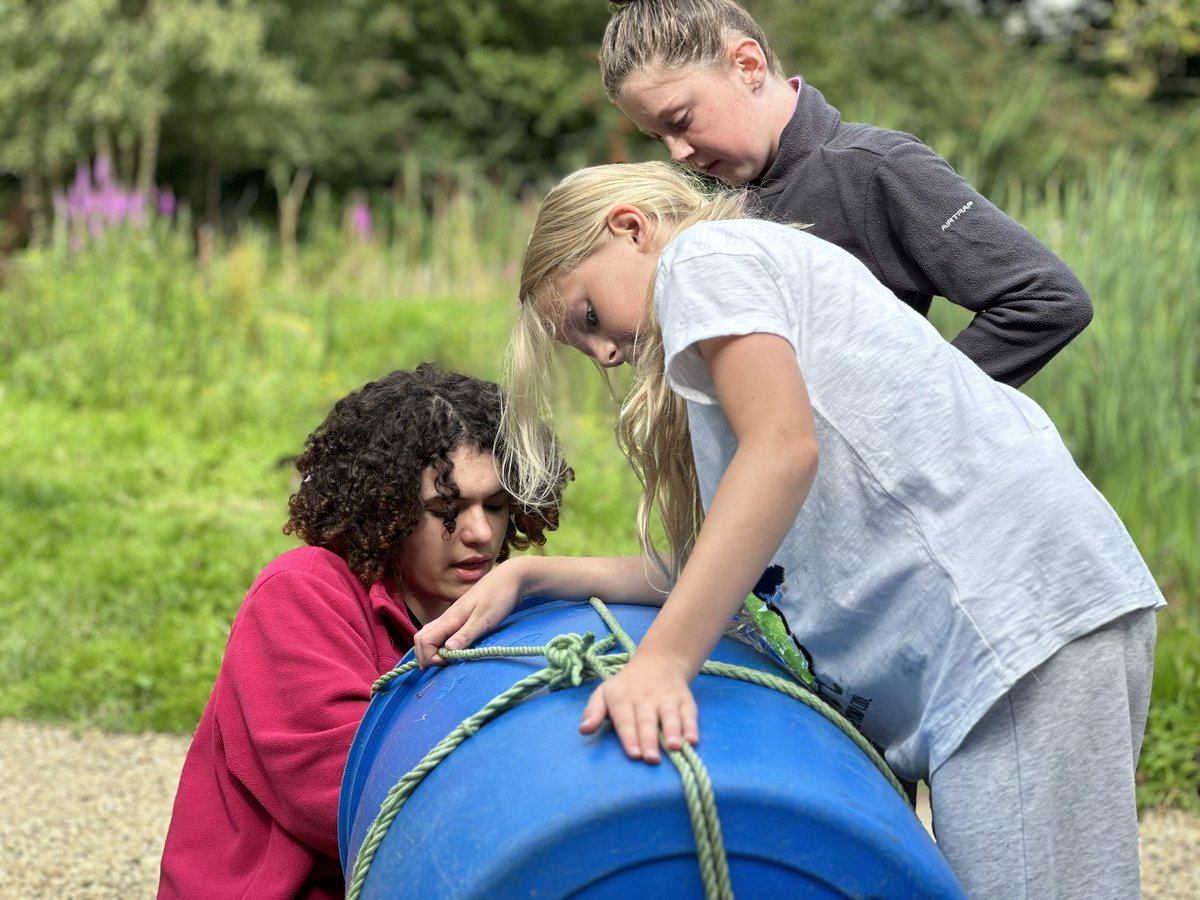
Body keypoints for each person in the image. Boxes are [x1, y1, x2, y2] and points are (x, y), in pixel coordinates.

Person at [414, 162, 1164, 898]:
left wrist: (663, 662)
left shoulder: (703, 259)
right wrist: (533, 575)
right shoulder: (727, 334)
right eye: (585, 348)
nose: (606, 353)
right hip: (994, 642)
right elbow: (731, 569)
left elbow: (782, 452)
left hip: (1011, 624)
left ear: (632, 229)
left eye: (587, 318)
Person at [158, 363, 570, 899]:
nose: (480, 532)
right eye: (445, 510)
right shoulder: (301, 593)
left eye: (495, 505)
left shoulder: (507, 609)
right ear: (388, 509)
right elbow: (350, 793)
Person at [597, 0, 1092, 388]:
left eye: (681, 120)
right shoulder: (729, 204)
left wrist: (916, 409)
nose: (677, 152)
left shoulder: (874, 169)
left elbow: (1046, 298)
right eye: (657, 137)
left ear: (748, 65)